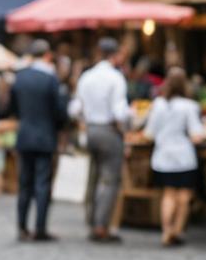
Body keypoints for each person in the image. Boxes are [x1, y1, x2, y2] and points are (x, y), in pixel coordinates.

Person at [71, 37, 132, 243]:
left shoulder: (87, 76)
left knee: (94, 177)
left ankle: (91, 220)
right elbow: (119, 112)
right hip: (108, 130)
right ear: (115, 55)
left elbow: (75, 109)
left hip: (90, 130)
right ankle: (101, 226)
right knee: (110, 180)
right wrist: (127, 127)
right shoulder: (115, 78)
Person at [143, 67, 206, 247]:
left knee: (168, 194)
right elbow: (197, 135)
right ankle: (178, 230)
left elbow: (149, 133)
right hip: (183, 156)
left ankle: (166, 231)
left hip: (162, 156)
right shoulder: (189, 106)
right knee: (184, 196)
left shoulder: (158, 104)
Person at [10, 39, 67, 242]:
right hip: (45, 136)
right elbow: (60, 111)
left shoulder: (20, 77)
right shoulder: (50, 78)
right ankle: (40, 228)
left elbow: (12, 107)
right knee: (42, 184)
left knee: (24, 183)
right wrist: (59, 129)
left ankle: (22, 227)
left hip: (24, 134)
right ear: (47, 55)